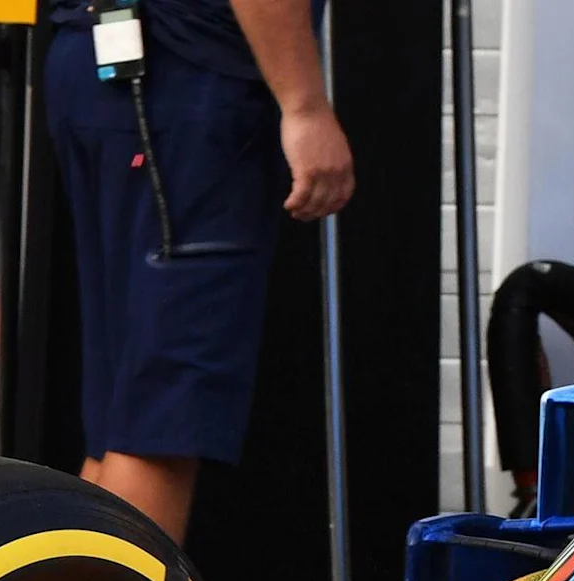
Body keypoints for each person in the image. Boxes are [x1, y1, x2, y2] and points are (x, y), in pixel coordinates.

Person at [43, 1, 351, 544]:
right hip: (183, 88)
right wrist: (305, 107)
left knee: (123, 417)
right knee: (160, 417)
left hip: (109, 60)